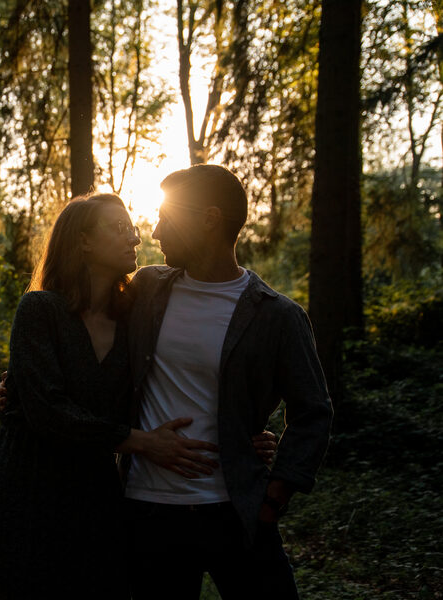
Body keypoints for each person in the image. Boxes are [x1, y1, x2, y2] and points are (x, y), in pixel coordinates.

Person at [0, 192, 276, 599]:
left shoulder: (134, 317)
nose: (135, 239)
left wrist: (239, 436)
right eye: (118, 229)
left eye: (132, 228)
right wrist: (144, 443)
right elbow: (46, 409)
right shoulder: (40, 309)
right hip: (34, 479)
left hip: (97, 485)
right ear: (83, 241)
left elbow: (176, 378)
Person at [121, 164, 333, 599]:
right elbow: (91, 340)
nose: (156, 231)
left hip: (235, 511)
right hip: (148, 509)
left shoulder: (278, 316)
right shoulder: (147, 290)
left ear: (209, 219)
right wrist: (26, 379)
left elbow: (313, 411)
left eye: (166, 217)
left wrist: (274, 497)